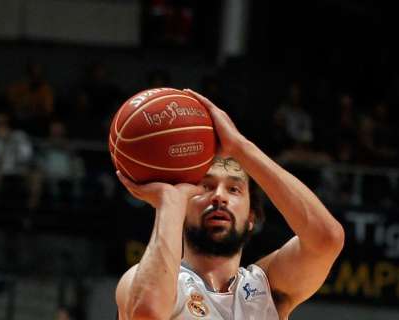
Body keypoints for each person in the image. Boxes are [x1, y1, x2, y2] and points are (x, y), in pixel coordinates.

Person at [115, 89, 345, 319]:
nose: (219, 196)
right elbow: (148, 312)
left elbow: (327, 239)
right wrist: (169, 201)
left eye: (234, 189)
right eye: (205, 186)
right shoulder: (141, 280)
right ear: (181, 208)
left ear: (252, 217)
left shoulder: (266, 288)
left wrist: (240, 147)